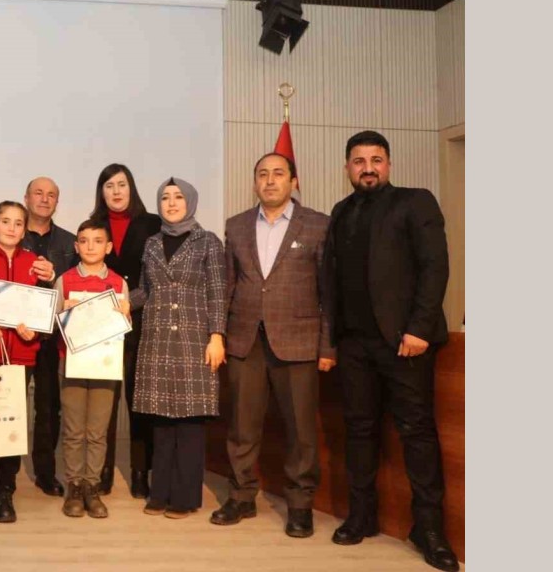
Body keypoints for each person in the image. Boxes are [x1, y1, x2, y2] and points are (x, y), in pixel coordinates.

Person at [324, 131, 456, 572]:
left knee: (416, 434)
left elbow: (435, 266)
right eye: (358, 160)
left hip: (405, 344)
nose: (367, 167)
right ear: (347, 168)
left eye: (376, 160)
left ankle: (429, 530)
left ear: (389, 165)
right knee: (360, 431)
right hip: (355, 344)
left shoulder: (415, 202)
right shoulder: (340, 213)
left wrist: (418, 328)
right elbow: (330, 282)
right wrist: (334, 339)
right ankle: (362, 517)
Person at [211, 153, 333, 537]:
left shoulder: (318, 225)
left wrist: (328, 347)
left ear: (293, 181)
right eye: (262, 174)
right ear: (254, 183)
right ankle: (242, 496)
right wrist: (219, 333)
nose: (269, 180)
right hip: (245, 340)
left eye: (278, 174)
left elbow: (330, 293)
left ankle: (300, 505)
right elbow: (227, 287)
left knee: (301, 430)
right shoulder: (237, 226)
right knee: (242, 427)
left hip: (298, 341)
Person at [130, 177, 225, 519]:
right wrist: (116, 303)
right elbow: (145, 291)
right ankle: (160, 494)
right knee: (161, 420)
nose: (171, 203)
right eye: (165, 198)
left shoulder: (208, 242)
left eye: (178, 197)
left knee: (189, 422)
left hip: (194, 340)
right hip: (157, 340)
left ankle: (185, 498)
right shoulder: (152, 244)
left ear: (191, 202)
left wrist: (217, 336)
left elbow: (217, 292)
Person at [91, 164, 162, 497]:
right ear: (101, 192)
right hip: (102, 324)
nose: (116, 191)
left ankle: (139, 472)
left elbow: (157, 275)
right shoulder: (94, 226)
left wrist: (132, 303)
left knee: (139, 400)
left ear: (131, 188)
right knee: (105, 399)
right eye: (109, 186)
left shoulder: (152, 225)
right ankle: (101, 470)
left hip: (141, 321)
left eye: (121, 184)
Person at [0, 201, 43, 524]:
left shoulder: (35, 264)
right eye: (5, 221)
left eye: (18, 223)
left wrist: (34, 333)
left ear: (25, 229)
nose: (12, 228)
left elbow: (42, 311)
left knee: (12, 424)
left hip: (21, 355)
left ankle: (6, 491)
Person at [54, 219, 129, 519]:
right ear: (76, 246)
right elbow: (53, 323)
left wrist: (125, 314)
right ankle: (74, 485)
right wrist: (65, 312)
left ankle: (92, 486)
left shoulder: (118, 283)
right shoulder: (65, 280)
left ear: (108, 247)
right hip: (71, 362)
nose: (90, 246)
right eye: (83, 241)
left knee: (97, 431)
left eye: (97, 241)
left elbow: (123, 328)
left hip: (104, 365)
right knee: (73, 429)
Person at [20, 176, 76, 497]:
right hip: (16, 335)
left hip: (51, 338)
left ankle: (45, 472)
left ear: (57, 201)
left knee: (49, 407)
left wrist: (55, 275)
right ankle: (6, 471)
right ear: (26, 197)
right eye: (38, 193)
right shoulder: (10, 233)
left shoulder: (69, 242)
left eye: (51, 195)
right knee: (9, 403)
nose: (44, 199)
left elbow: (76, 285)